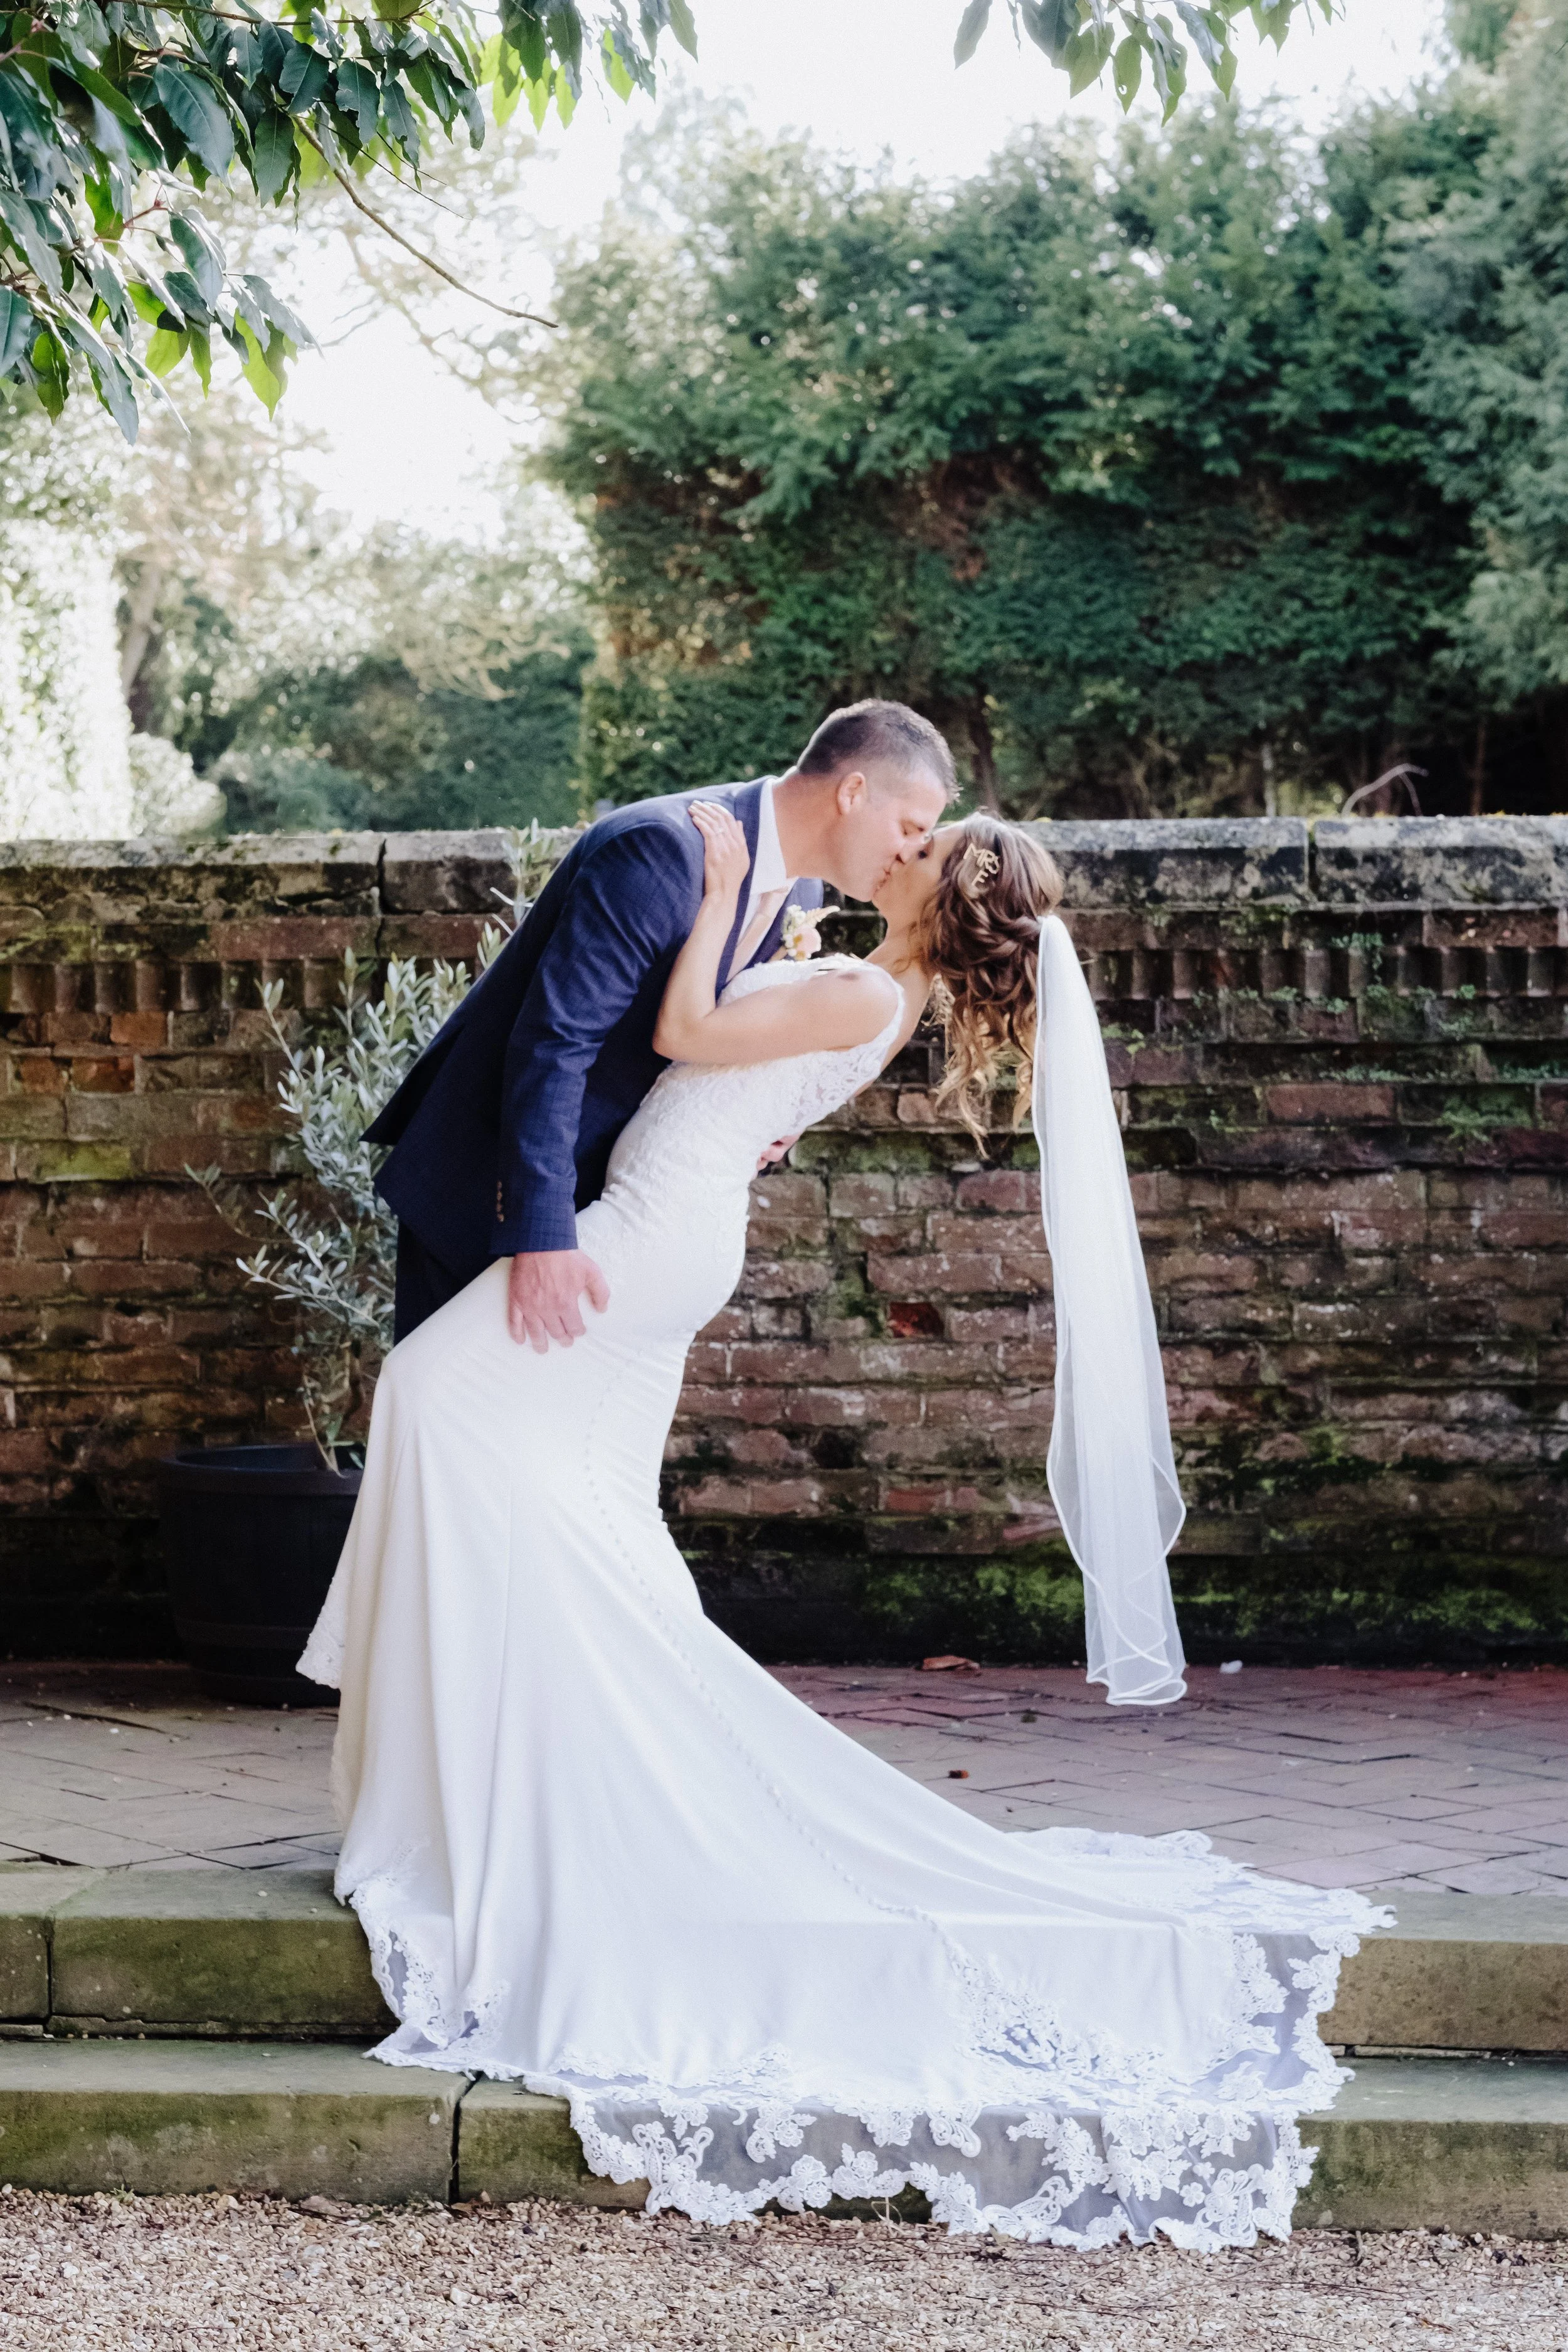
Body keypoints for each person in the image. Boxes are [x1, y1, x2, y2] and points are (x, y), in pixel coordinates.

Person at [300, 802, 1381, 2250]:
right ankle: (537, 1756)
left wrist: (731, 891)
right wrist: (775, 934)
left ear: (942, 887)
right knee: (587, 1503)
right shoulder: (874, 984)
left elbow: (682, 1031)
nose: (903, 845)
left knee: (433, 1392)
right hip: (676, 1228)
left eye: (929, 843)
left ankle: (550, 1759)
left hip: (644, 1236)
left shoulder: (868, 986)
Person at [363, 699, 953, 1348]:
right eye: (908, 827)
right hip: (495, 1193)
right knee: (449, 1425)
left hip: (614, 1224)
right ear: (853, 792)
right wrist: (542, 1235)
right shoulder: (660, 851)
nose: (909, 852)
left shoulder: (805, 895)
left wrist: (768, 1121)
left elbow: (726, 1042)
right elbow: (554, 1041)